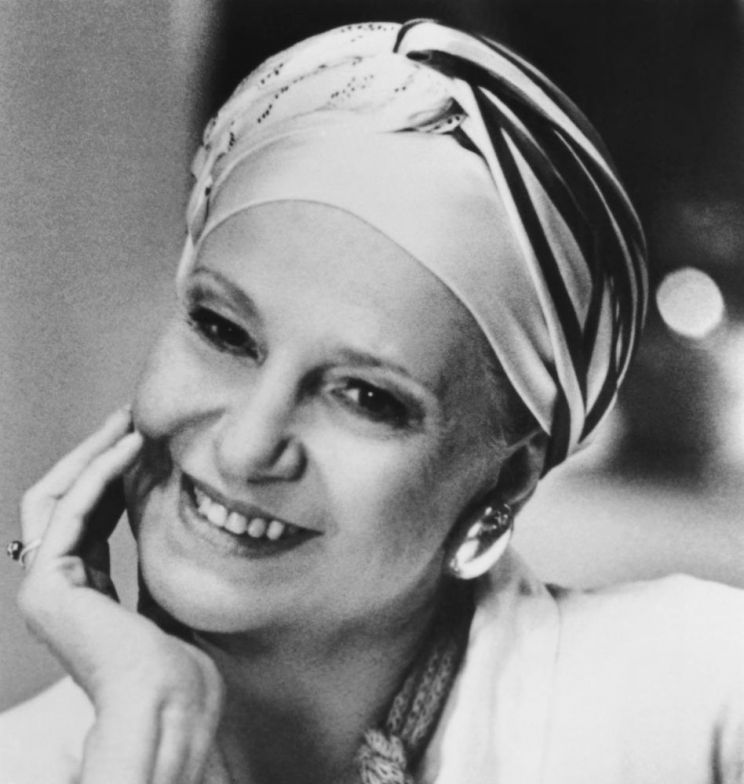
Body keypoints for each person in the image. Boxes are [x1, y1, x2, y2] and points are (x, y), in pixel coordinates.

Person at [1, 19, 742, 784]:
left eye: (365, 396)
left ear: (509, 478)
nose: (247, 447)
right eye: (222, 330)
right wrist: (149, 725)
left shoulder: (690, 703)